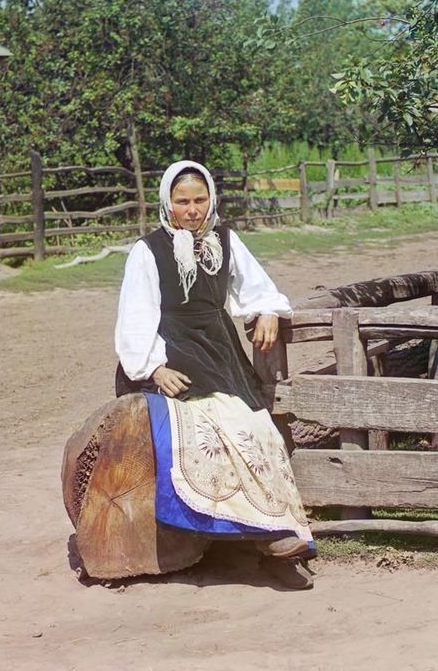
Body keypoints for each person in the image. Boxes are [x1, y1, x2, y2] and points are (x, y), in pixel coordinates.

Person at [114, 160, 315, 589]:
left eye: (200, 200)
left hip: (219, 350)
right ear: (167, 202)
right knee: (212, 429)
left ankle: (277, 531)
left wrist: (267, 312)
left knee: (257, 428)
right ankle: (259, 534)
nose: (191, 209)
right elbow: (135, 317)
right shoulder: (147, 251)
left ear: (212, 201)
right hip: (171, 350)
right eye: (182, 200)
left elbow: (257, 286)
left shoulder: (225, 239)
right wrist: (153, 367)